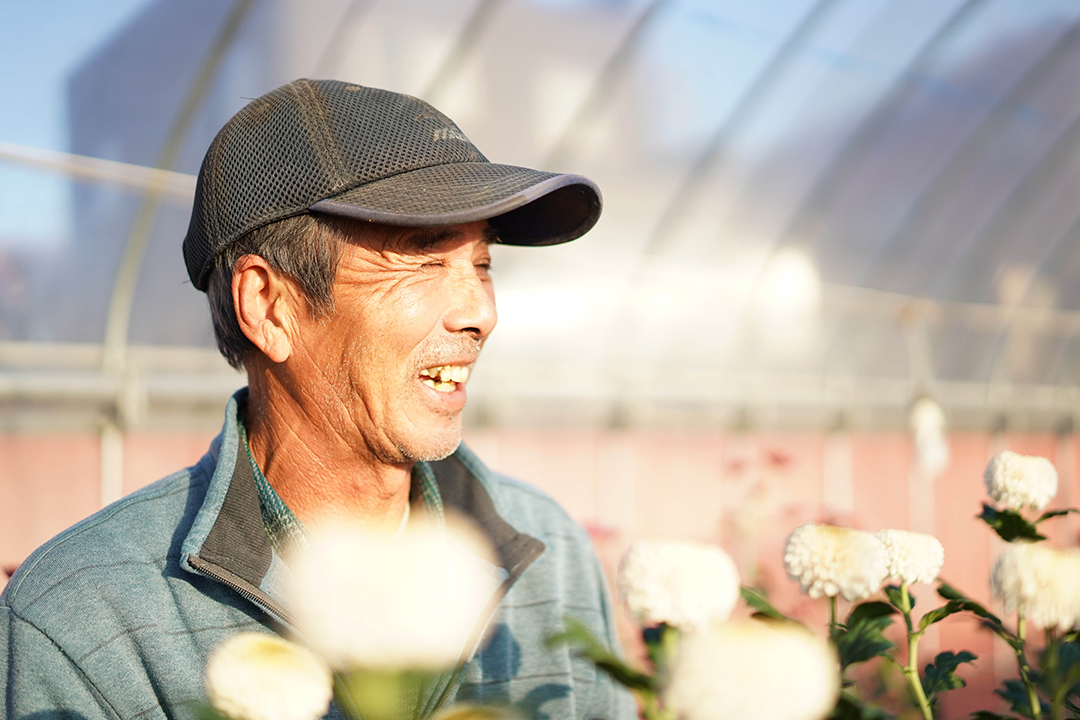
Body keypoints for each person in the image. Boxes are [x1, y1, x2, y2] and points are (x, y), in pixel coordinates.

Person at [0, 79, 635, 720]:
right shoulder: (84, 622)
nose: (480, 311)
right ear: (270, 307)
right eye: (421, 259)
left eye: (482, 264)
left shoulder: (548, 555)